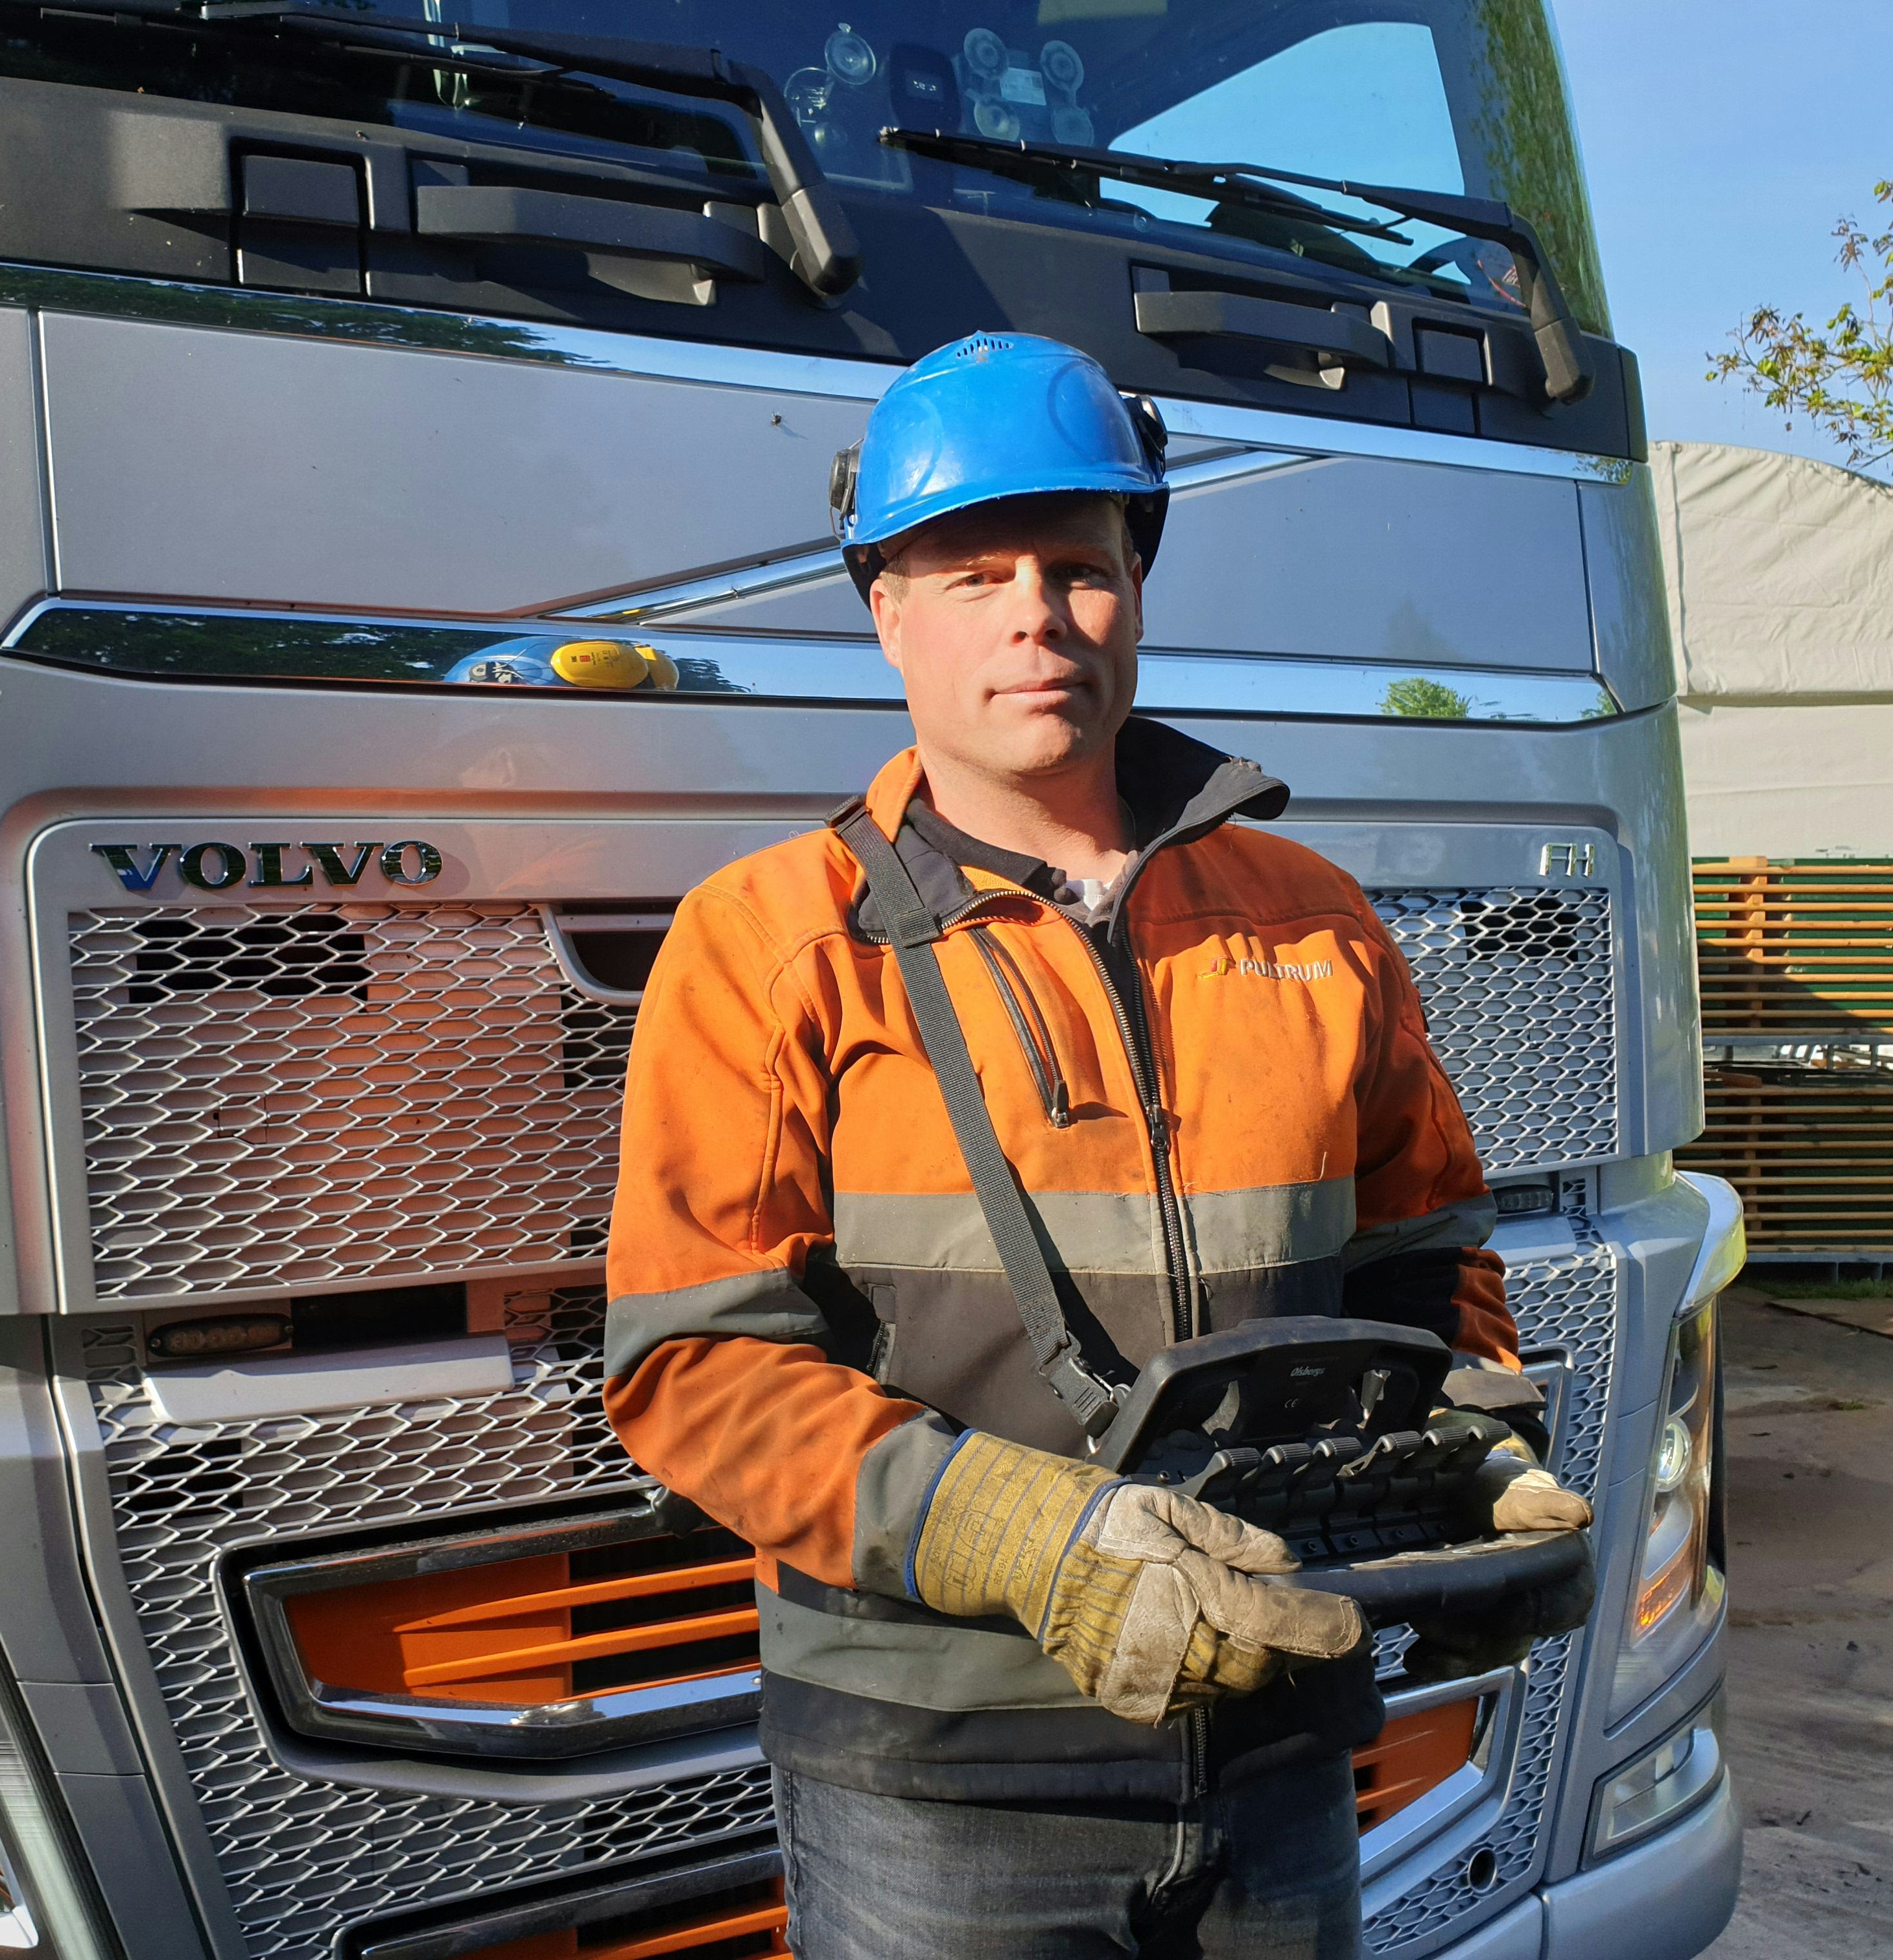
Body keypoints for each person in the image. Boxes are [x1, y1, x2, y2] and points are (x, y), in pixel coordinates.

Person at [603, 332, 1590, 1959]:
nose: (1035, 620)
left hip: (1278, 1732)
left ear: (1137, 584)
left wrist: (1465, 1453)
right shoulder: (773, 943)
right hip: (942, 1784)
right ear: (885, 610)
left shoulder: (1313, 920)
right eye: (973, 572)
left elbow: (1429, 1267)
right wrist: (1028, 1539)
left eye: (1078, 568)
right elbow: (691, 1373)